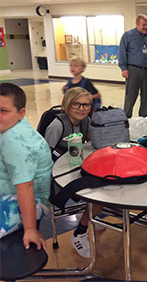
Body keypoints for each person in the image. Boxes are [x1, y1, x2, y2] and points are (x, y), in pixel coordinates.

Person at [44, 87, 102, 258]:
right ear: (67, 105)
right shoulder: (57, 126)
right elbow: (45, 156)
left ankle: (89, 215)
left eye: (86, 105)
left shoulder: (86, 121)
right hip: (58, 176)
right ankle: (79, 233)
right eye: (76, 104)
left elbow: (92, 143)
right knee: (99, 194)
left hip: (75, 168)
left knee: (104, 184)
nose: (81, 108)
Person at [0, 83, 52, 250]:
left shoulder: (15, 142)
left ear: (21, 113)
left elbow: (26, 187)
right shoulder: (10, 127)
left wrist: (30, 229)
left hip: (32, 202)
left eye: (3, 111)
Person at [119, 14, 147, 118]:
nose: (146, 27)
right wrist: (123, 68)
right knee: (130, 95)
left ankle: (143, 118)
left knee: (146, 96)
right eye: (143, 25)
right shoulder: (128, 35)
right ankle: (126, 118)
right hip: (133, 70)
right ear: (137, 24)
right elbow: (122, 52)